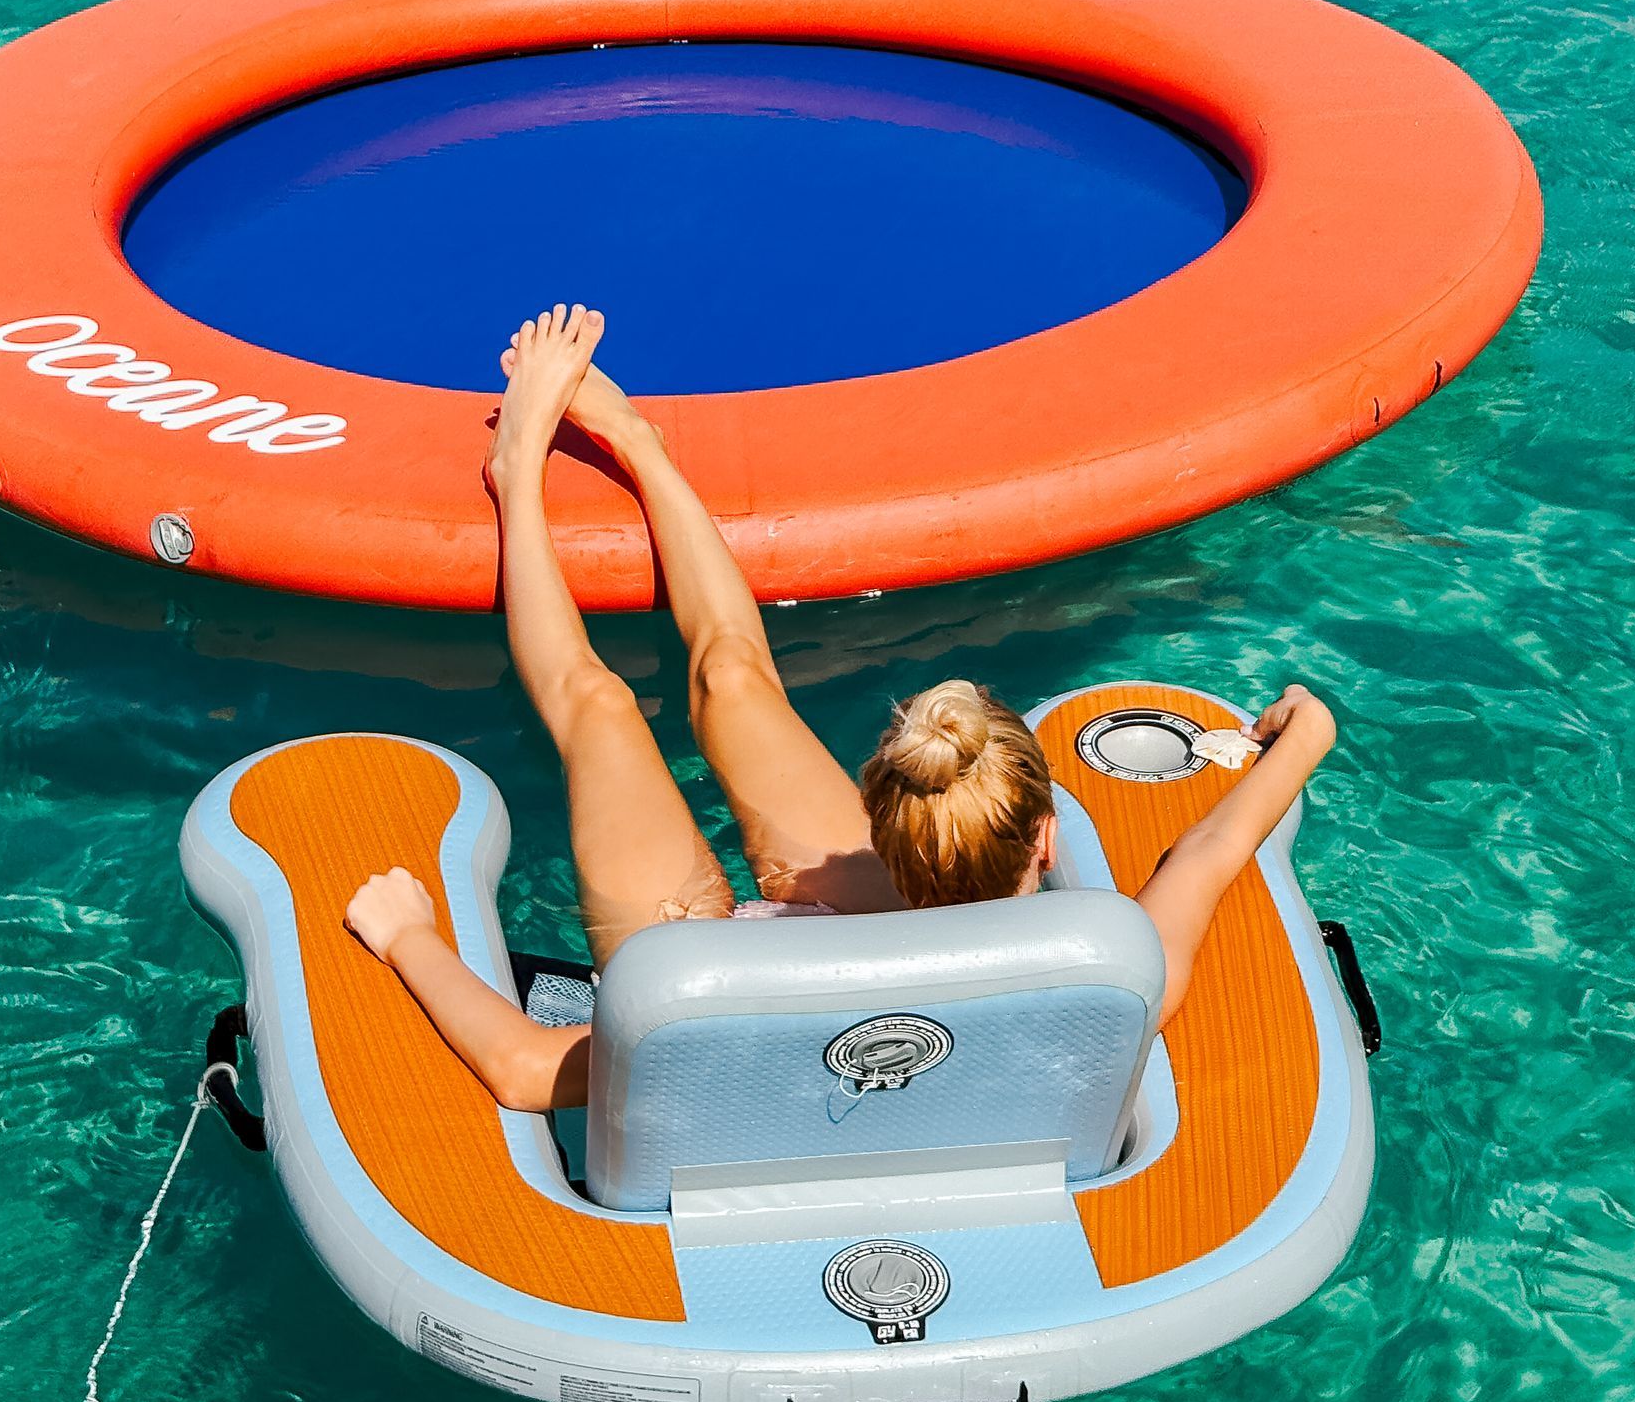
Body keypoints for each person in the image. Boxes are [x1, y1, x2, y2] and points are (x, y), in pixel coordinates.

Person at [345, 306, 1337, 1113]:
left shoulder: (716, 1003)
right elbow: (1202, 858)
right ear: (1043, 838)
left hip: (729, 960)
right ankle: (640, 448)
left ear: (886, 828)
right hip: (829, 945)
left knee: (596, 701)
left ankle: (518, 476)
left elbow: (525, 1070)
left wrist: (407, 935)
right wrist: (1306, 744)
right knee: (733, 675)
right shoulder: (1110, 975)